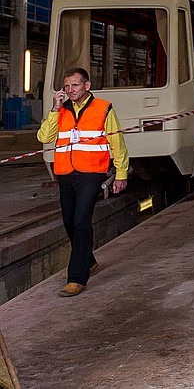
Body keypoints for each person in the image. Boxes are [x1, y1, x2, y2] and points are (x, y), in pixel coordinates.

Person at [36, 67, 129, 298]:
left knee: (81, 221)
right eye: (66, 87)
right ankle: (89, 260)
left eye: (74, 85)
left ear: (87, 86)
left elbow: (117, 142)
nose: (70, 90)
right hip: (66, 173)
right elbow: (44, 137)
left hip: (91, 173)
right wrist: (55, 109)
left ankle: (77, 277)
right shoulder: (61, 110)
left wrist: (121, 173)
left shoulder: (103, 108)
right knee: (69, 221)